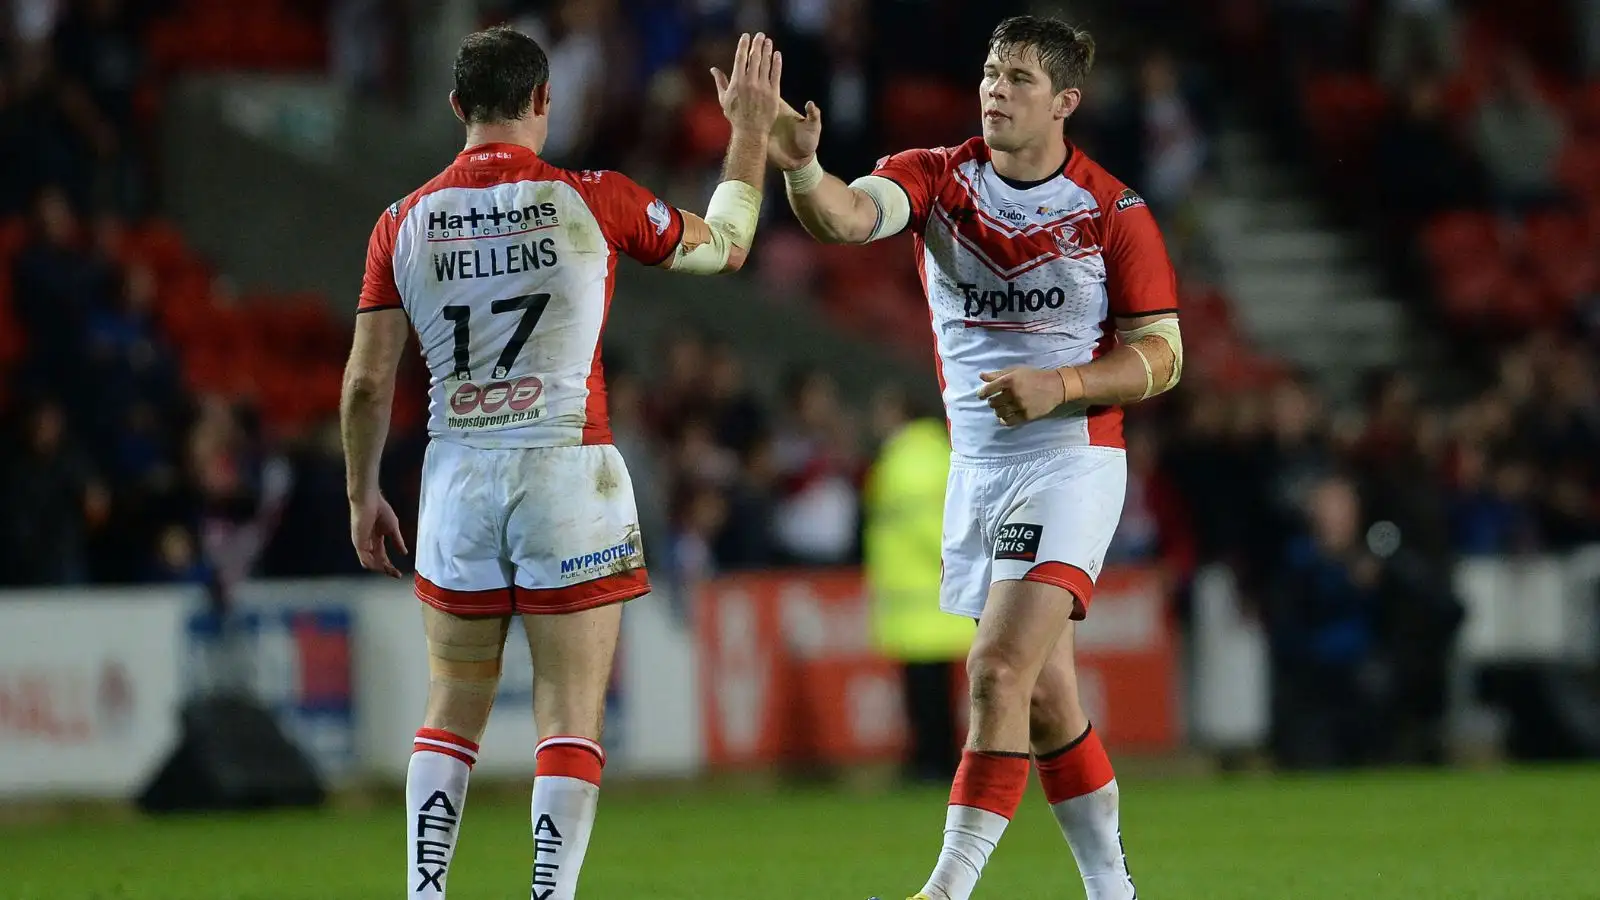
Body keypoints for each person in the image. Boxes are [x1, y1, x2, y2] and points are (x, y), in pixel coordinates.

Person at [338, 26, 783, 899]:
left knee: (453, 701)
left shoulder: (401, 222)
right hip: (569, 471)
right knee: (570, 711)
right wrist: (751, 129)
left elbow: (364, 383)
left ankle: (425, 892)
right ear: (546, 102)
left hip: (457, 477)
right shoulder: (595, 199)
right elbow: (728, 243)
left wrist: (362, 494)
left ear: (457, 107)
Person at [770, 16, 1183, 900]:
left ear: (1066, 101)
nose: (996, 89)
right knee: (1043, 702)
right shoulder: (937, 178)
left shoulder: (1113, 212)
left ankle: (945, 889)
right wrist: (803, 168)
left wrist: (1062, 382)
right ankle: (1115, 891)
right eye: (992, 72)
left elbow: (1163, 357)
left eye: (1021, 78)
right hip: (981, 469)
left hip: (1071, 458)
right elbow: (846, 217)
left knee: (996, 669)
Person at [862, 385, 972, 784]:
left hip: (918, 597)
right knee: (937, 690)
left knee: (924, 692)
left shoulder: (905, 461)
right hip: (936, 594)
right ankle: (936, 759)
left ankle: (930, 763)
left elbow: (924, 529)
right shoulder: (939, 452)